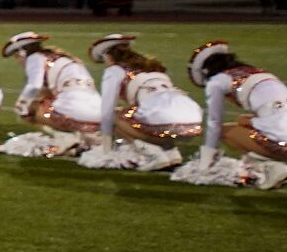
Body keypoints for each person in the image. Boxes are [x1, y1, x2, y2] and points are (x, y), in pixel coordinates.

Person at [80, 33, 202, 171]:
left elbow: (107, 111)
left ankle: (151, 154)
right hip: (193, 122)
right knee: (145, 114)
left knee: (116, 116)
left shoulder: (114, 70)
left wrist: (106, 148)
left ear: (108, 56)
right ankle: (172, 154)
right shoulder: (152, 67)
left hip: (164, 121)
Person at [181, 41, 287, 188]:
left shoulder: (217, 81)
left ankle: (268, 169)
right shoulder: (260, 73)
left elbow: (214, 123)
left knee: (225, 131)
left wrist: (205, 162)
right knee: (243, 121)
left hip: (282, 143)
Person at [0, 29, 101, 156]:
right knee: (48, 102)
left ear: (22, 52)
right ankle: (87, 139)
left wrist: (22, 103)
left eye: (17, 56)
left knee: (30, 109)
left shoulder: (34, 58)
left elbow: (34, 86)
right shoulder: (61, 57)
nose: (18, 61)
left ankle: (66, 138)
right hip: (99, 115)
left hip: (75, 114)